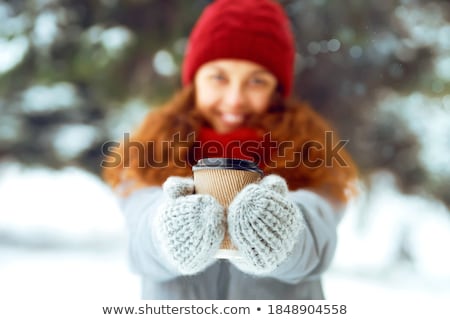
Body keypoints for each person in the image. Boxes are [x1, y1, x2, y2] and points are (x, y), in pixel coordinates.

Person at [103, 0, 358, 299]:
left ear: (276, 89)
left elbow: (318, 235)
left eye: (256, 81)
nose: (235, 99)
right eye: (219, 77)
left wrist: (284, 235)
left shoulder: (312, 153)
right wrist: (166, 231)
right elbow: (139, 238)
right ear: (194, 81)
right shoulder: (149, 150)